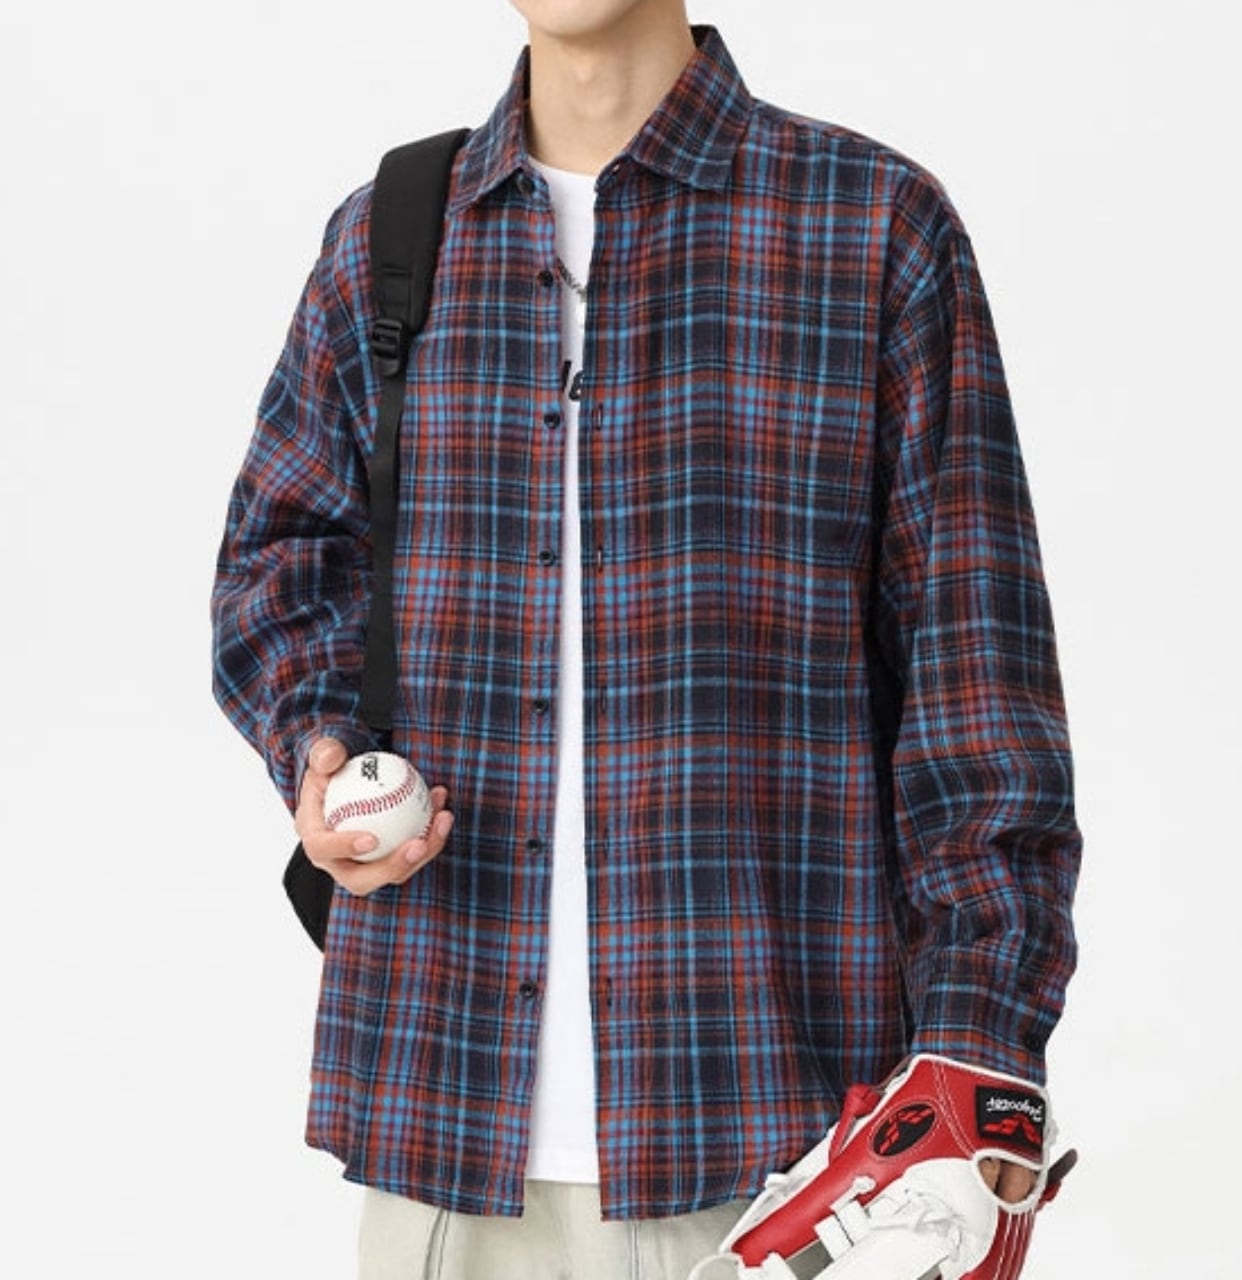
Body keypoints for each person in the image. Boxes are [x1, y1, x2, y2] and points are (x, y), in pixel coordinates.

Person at [211, 2, 1083, 1276]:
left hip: (796, 1162)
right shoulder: (389, 237)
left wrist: (981, 1049)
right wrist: (321, 746)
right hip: (446, 1140)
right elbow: (278, 559)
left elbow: (976, 674)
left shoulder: (868, 226)